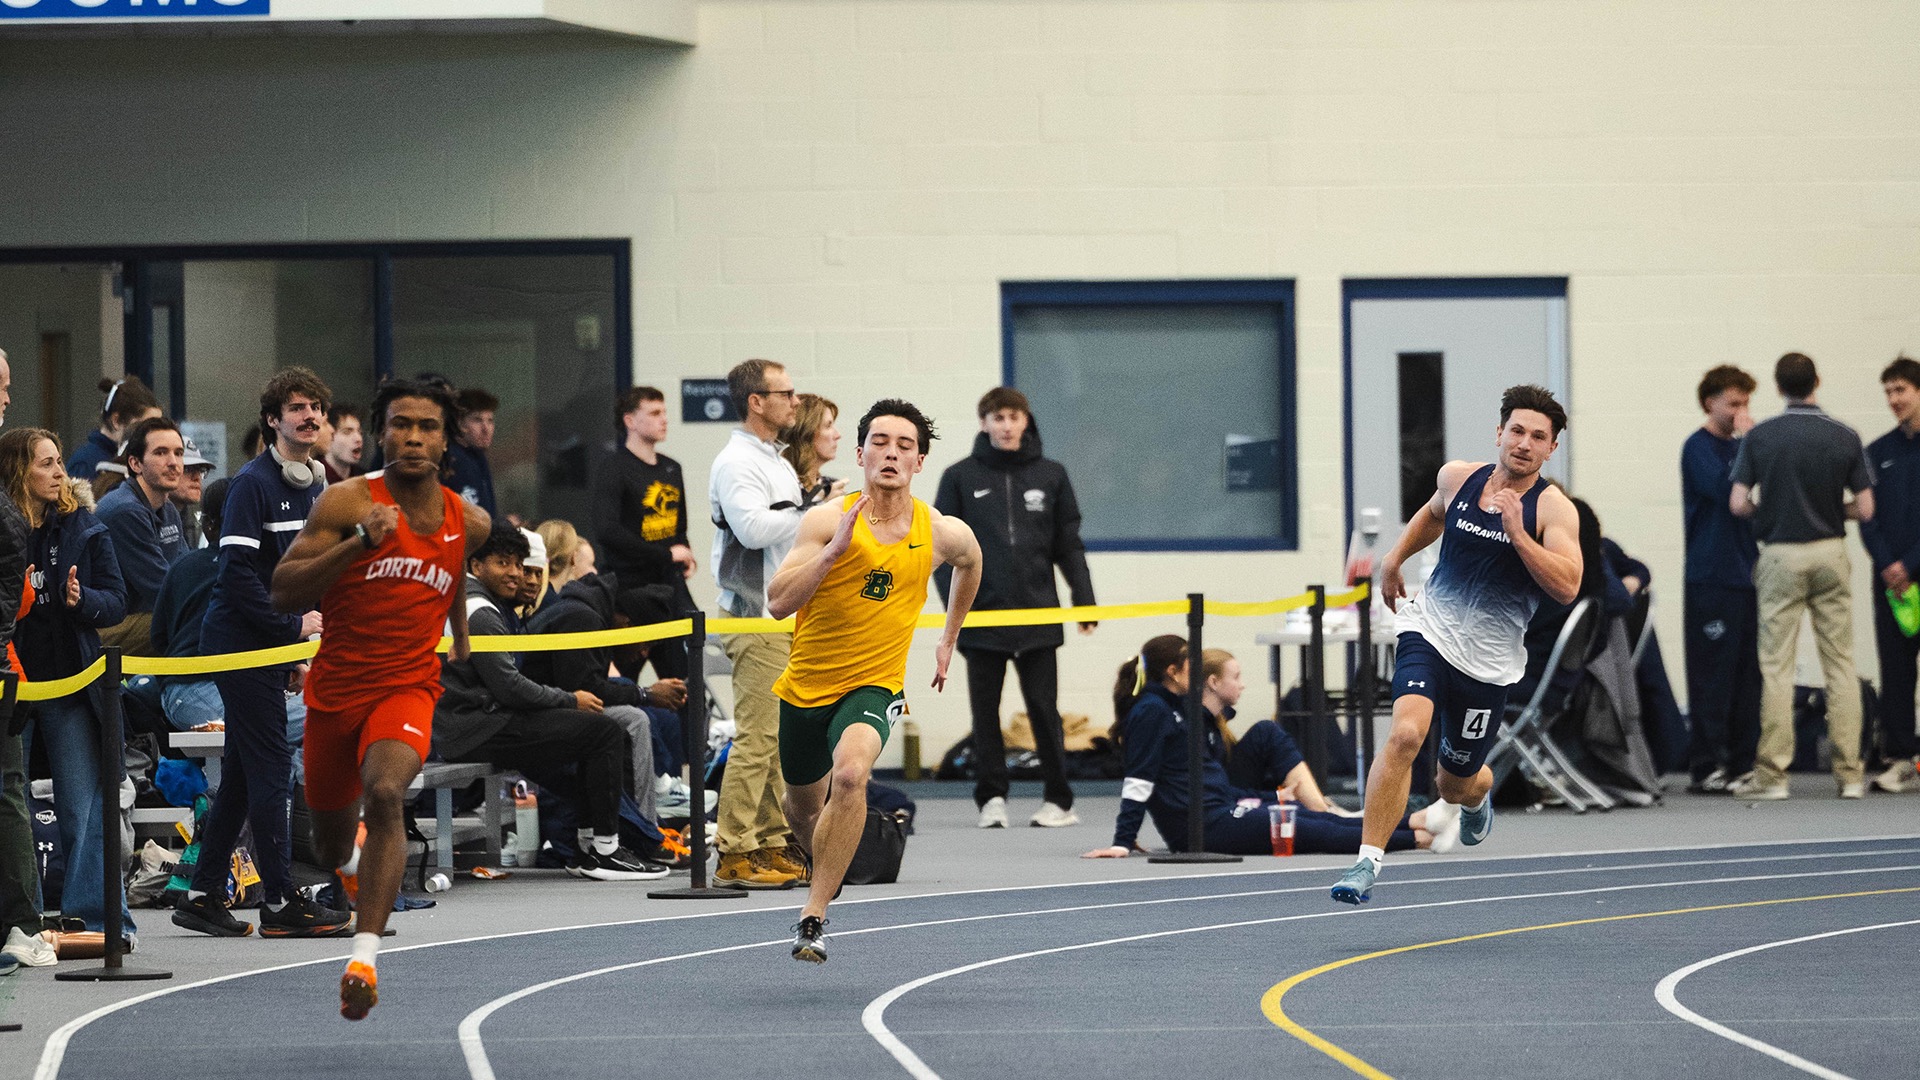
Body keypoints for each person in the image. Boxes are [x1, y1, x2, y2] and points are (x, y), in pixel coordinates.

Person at [258, 379, 485, 1019]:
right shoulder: (344, 500)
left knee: (386, 791)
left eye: (428, 427)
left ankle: (363, 957)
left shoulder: (470, 519)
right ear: (382, 432)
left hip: (408, 687)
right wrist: (360, 540)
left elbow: (452, 582)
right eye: (401, 424)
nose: (414, 437)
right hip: (335, 694)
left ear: (446, 440)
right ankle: (353, 855)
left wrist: (461, 639)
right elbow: (281, 591)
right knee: (329, 848)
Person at [1331, 385, 1581, 905]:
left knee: (1454, 783)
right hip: (1431, 632)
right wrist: (1394, 559)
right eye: (1517, 431)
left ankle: (1476, 796)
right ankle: (1367, 862)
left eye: (1539, 437)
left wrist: (1519, 535)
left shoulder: (1553, 510)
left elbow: (1567, 584)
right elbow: (1434, 512)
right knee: (1404, 734)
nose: (1524, 444)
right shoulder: (1459, 476)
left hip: (1487, 666)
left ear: (1551, 449)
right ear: (1499, 433)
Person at [767, 398, 982, 962]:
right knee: (802, 808)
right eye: (881, 443)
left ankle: (813, 917)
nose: (892, 453)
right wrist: (835, 551)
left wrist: (948, 635)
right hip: (806, 687)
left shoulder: (938, 530)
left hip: (874, 684)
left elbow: (973, 560)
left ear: (920, 460)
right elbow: (776, 605)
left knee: (854, 774)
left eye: (905, 445)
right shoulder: (824, 521)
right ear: (860, 454)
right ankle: (824, 861)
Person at [173, 367, 349, 940]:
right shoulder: (251, 485)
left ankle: (201, 895)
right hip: (240, 644)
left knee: (247, 777)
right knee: (272, 766)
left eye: (316, 406)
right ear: (273, 420)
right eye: (297, 407)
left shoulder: (318, 486)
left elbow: (305, 571)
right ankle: (278, 900)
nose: (310, 415)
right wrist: (291, 628)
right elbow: (237, 579)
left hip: (272, 647)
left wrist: (294, 653)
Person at [435, 522, 668, 883]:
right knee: (603, 731)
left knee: (592, 738)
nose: (515, 574)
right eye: (503, 563)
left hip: (487, 721)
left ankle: (590, 847)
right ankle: (605, 850)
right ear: (476, 566)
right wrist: (568, 700)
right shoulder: (480, 612)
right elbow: (509, 687)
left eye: (521, 564)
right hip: (477, 727)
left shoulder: (493, 606)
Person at [1084, 637, 1455, 861]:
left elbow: (1210, 782)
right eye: (1189, 666)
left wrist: (1269, 796)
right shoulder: (1151, 711)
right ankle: (1421, 839)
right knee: (1315, 833)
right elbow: (1140, 777)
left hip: (1220, 811)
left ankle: (1415, 821)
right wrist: (1122, 839)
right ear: (1173, 672)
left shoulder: (1178, 712)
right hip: (1204, 829)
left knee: (1312, 816)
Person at [933, 386, 1096, 830]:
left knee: (1044, 709)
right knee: (984, 713)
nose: (1006, 425)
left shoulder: (1053, 475)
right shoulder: (959, 476)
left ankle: (1059, 800)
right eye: (997, 417)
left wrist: (1085, 602)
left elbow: (1069, 545)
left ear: (1026, 421)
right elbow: (939, 551)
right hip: (982, 618)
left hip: (1039, 616)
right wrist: (955, 614)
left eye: (1014, 417)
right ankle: (992, 799)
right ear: (984, 423)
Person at [0, 428, 135, 938]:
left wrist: (85, 602)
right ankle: (22, 923)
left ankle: (97, 921)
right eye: (47, 464)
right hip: (10, 682)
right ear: (19, 471)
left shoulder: (84, 528)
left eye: (60, 462)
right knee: (7, 804)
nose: (60, 473)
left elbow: (118, 601)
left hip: (69, 683)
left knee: (82, 809)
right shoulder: (8, 527)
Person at [1730, 353, 1876, 800]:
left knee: (1776, 665)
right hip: (1830, 551)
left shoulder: (1761, 437)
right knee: (1841, 663)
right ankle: (1850, 775)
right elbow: (1866, 509)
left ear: (1777, 387)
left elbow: (1738, 503)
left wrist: (1769, 513)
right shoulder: (1846, 436)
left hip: (1780, 554)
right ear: (1818, 381)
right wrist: (1835, 511)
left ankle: (1773, 777)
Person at [708, 359, 808, 889]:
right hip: (753, 615)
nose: (795, 401)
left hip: (780, 614)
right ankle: (732, 850)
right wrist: (813, 511)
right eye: (785, 393)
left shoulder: (774, 459)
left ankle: (767, 840)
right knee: (757, 737)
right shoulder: (736, 462)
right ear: (756, 401)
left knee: (777, 739)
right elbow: (750, 530)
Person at [1680, 366, 1763, 794]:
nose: (1741, 411)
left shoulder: (1745, 449)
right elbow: (1725, 489)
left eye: (1746, 403)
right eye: (1733, 403)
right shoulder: (1698, 448)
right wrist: (1749, 443)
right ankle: (1708, 764)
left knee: (1748, 674)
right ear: (1710, 402)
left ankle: (1741, 762)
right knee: (1713, 673)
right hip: (1711, 577)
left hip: (1748, 575)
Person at [0, 353, 54, 971]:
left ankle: (20, 924)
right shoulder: (14, 519)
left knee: (9, 791)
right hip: (8, 668)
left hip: (7, 671)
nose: (8, 399)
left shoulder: (15, 522)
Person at [592, 386, 694, 678]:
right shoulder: (614, 468)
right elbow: (607, 530)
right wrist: (665, 554)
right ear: (630, 421)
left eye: (664, 412)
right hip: (630, 592)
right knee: (625, 681)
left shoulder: (672, 468)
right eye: (654, 413)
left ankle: (688, 725)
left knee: (685, 682)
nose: (664, 419)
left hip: (669, 591)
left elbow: (679, 527)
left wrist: (685, 554)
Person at [1199, 649, 1354, 816]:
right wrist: (1275, 796)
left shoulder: (1217, 723)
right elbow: (1216, 788)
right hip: (1223, 797)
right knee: (1265, 731)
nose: (1242, 685)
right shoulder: (1198, 729)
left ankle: (1322, 806)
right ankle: (1323, 810)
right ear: (1214, 682)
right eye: (1236, 677)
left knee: (1267, 732)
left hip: (1231, 787)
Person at [1863, 357, 1920, 793]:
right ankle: (1902, 759)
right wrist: (1888, 564)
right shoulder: (1877, 452)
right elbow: (1868, 518)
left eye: (1900, 390)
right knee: (1896, 671)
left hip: (1913, 572)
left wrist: (1910, 563)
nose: (1893, 400)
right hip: (1891, 584)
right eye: (1887, 392)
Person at [95, 416, 188, 655]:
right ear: (135, 464)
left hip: (141, 616)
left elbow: (186, 572)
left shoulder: (167, 507)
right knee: (190, 622)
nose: (173, 462)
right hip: (102, 630)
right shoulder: (124, 511)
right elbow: (163, 590)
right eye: (161, 453)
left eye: (178, 453)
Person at [151, 478, 233, 731]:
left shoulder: (181, 566)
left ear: (207, 526)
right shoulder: (254, 570)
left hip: (180, 690)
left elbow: (159, 636)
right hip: (197, 688)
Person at [67, 376, 161, 481]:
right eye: (144, 426)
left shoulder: (137, 458)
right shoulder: (85, 464)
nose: (154, 433)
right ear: (116, 421)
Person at [782, 393, 846, 509]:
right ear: (807, 433)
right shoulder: (779, 486)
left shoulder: (830, 486)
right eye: (828, 426)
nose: (838, 435)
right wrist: (822, 505)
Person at [447, 387, 498, 516]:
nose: (486, 429)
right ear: (459, 423)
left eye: (490, 421)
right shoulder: (453, 459)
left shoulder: (478, 457)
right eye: (477, 420)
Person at [174, 437, 216, 548]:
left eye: (200, 470)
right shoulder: (150, 518)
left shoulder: (189, 516)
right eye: (187, 469)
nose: (197, 477)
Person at [323, 403, 364, 485]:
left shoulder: (364, 479)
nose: (358, 438)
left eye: (360, 432)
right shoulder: (314, 478)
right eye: (347, 432)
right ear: (329, 434)